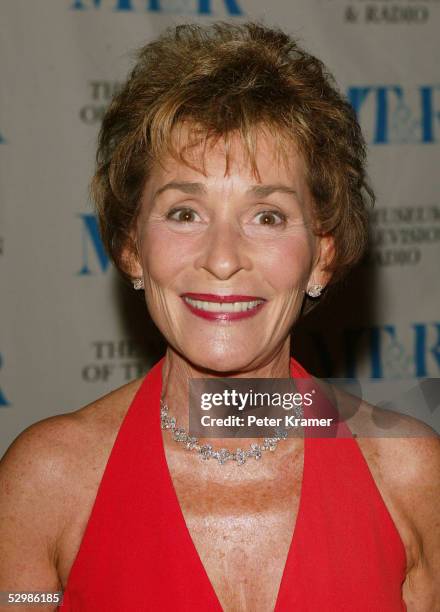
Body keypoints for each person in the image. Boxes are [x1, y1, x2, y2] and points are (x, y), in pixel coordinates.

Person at [0, 21, 439, 612]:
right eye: (184, 213)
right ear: (132, 247)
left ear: (322, 255)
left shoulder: (411, 475)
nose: (224, 259)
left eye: (268, 217)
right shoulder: (46, 483)